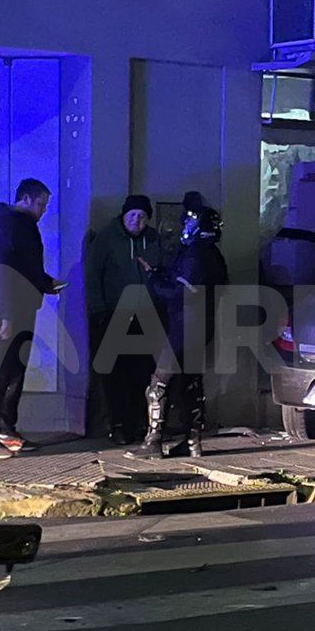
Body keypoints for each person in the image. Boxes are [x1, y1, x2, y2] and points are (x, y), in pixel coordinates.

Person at [0, 178, 64, 460]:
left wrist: (46, 283)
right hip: (7, 309)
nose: (43, 211)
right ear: (26, 199)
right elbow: (0, 267)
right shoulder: (6, 223)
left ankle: (6, 428)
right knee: (2, 371)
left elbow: (24, 266)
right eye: (41, 204)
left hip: (22, 307)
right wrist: (5, 313)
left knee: (15, 370)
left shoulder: (24, 227)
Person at [144, 204, 229, 458]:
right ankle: (193, 442)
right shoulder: (213, 254)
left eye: (188, 224)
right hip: (201, 327)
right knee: (191, 384)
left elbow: (181, 293)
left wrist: (153, 281)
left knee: (158, 384)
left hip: (184, 326)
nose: (184, 228)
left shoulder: (195, 255)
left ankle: (152, 442)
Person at [85, 195, 163, 445]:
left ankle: (139, 423)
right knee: (114, 375)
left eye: (142, 217)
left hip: (145, 317)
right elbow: (93, 275)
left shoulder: (153, 240)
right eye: (132, 215)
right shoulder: (107, 239)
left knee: (141, 373)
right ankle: (116, 425)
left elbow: (161, 271)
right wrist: (99, 311)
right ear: (123, 215)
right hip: (113, 315)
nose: (137, 221)